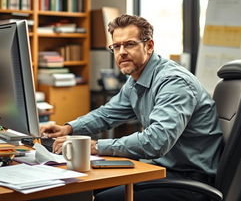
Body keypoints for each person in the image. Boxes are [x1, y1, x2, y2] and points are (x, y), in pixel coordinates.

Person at [41, 14, 223, 201]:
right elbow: (106, 114)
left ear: (149, 46)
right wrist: (68, 128)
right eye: (116, 46)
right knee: (80, 187)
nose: (121, 52)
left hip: (187, 179)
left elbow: (156, 141)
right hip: (157, 169)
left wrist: (95, 147)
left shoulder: (174, 82)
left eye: (129, 44)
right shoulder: (135, 79)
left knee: (100, 197)